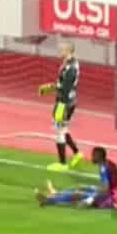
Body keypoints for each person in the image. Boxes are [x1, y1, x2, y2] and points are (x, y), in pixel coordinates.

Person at [39, 40, 84, 171]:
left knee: (59, 131)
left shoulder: (71, 68)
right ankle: (77, 153)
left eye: (62, 49)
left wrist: (61, 105)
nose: (59, 51)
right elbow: (63, 84)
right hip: (68, 100)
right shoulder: (69, 63)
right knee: (63, 129)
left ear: (68, 50)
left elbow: (66, 88)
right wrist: (51, 87)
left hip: (65, 102)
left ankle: (62, 163)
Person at [37, 147, 117, 210]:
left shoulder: (104, 168)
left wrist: (89, 200)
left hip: (111, 200)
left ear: (99, 156)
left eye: (93, 155)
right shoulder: (106, 164)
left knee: (78, 195)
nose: (91, 157)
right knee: (81, 187)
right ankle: (56, 193)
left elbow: (105, 189)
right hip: (112, 194)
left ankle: (49, 200)